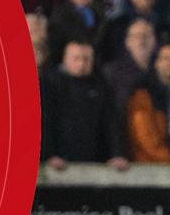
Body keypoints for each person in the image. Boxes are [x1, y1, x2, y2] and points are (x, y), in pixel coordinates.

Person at [41, 40, 129, 171]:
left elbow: (111, 124)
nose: (81, 63)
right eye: (76, 58)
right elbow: (45, 122)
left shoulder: (101, 87)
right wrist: (48, 155)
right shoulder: (50, 85)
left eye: (86, 59)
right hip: (59, 162)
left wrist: (117, 154)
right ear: (65, 59)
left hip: (94, 162)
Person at [127, 44, 170, 163]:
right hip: (150, 167)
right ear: (156, 63)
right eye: (165, 58)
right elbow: (145, 137)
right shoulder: (143, 94)